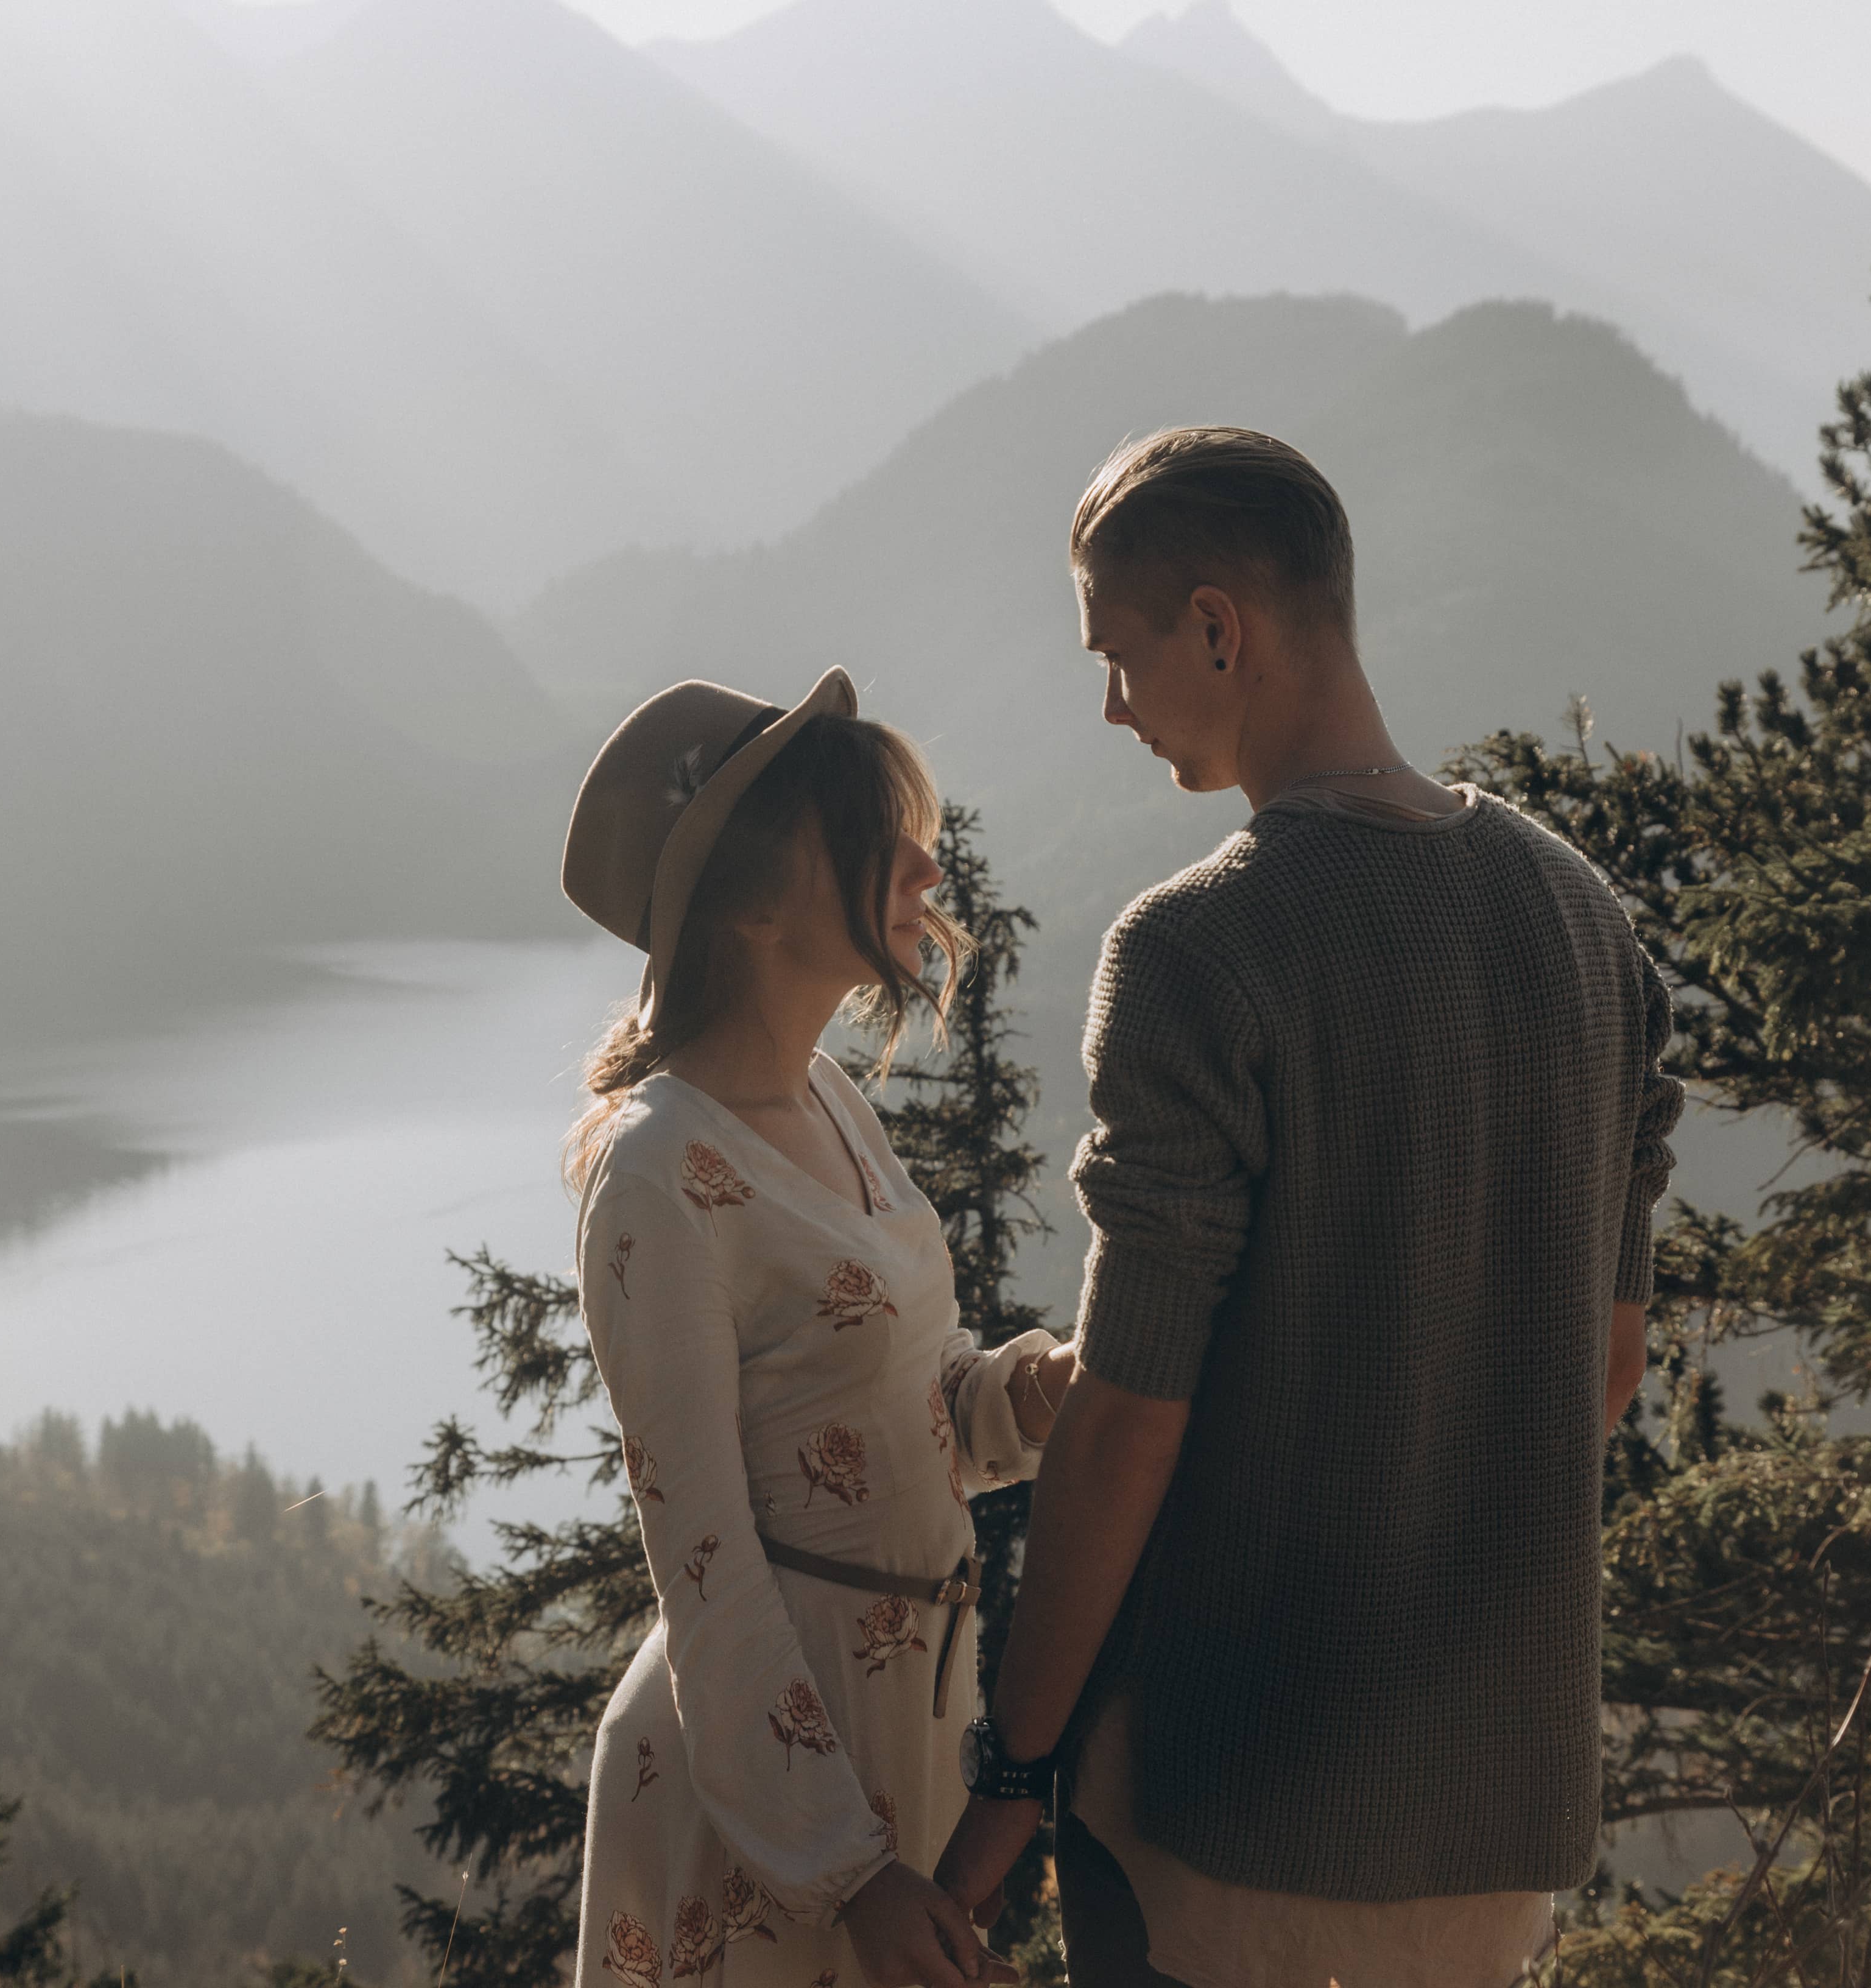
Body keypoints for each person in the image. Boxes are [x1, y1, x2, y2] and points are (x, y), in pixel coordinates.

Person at [932, 429, 1685, 1988]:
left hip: (1232, 1815)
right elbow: (1603, 1368)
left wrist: (1008, 1784)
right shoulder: (1582, 920)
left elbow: (1132, 1415)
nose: (1111, 705)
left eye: (1119, 654)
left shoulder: (1199, 950)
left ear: (1219, 627)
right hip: (1497, 1823)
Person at [563, 668, 1079, 1988]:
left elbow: (890, 1419)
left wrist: (1021, 1398)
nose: (922, 860)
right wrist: (842, 1869)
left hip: (893, 1744)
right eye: (866, 836)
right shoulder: (658, 1169)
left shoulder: (831, 1102)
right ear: (750, 905)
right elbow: (707, 1561)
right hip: (770, 1802)